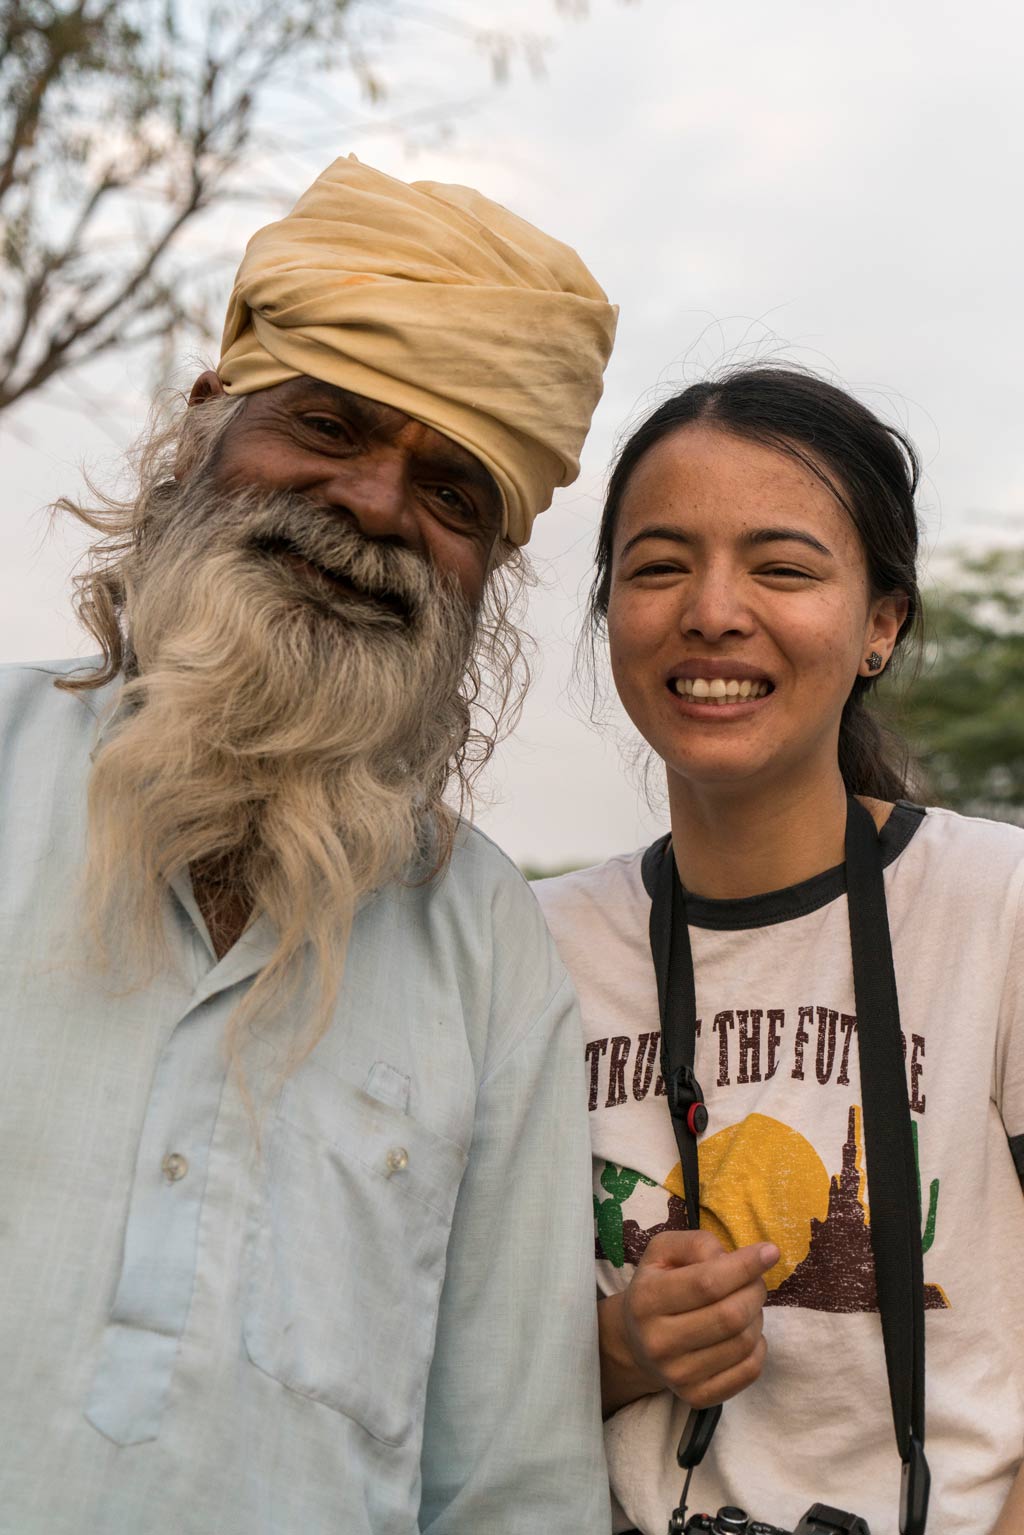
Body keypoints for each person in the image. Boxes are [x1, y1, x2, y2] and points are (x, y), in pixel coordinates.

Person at [0, 156, 618, 1535]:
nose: (378, 503)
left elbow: (514, 1482)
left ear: (488, 569)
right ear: (206, 427)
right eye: (331, 424)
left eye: (454, 489)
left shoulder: (482, 938)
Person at [535, 366, 1024, 1534]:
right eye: (658, 566)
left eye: (782, 565)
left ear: (879, 624)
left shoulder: (997, 907)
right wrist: (626, 1343)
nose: (712, 609)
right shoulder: (535, 949)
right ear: (610, 614)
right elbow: (454, 1375)